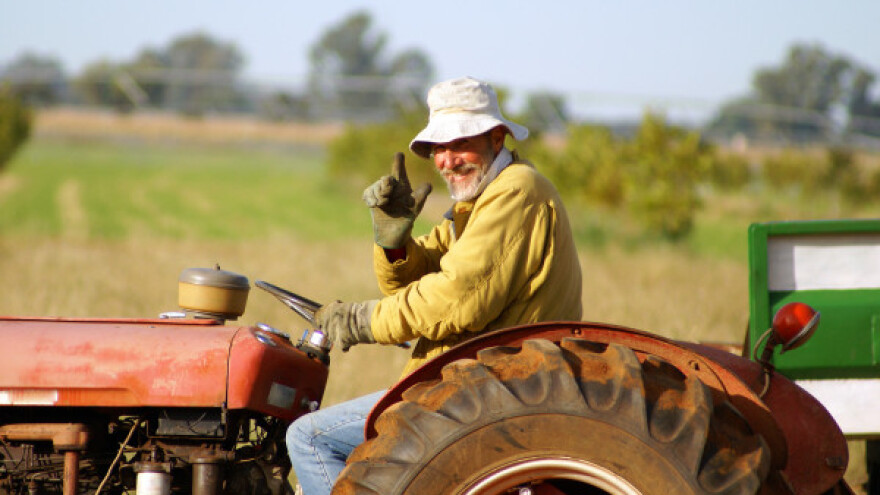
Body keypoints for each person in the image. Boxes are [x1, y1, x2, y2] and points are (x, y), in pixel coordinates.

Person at [286, 76, 582, 495]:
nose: (445, 160)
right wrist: (394, 246)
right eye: (437, 148)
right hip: (476, 379)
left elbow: (455, 297)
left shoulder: (516, 193)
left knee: (310, 438)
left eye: (458, 143)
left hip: (493, 385)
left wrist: (359, 320)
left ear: (496, 137)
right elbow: (425, 271)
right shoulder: (478, 202)